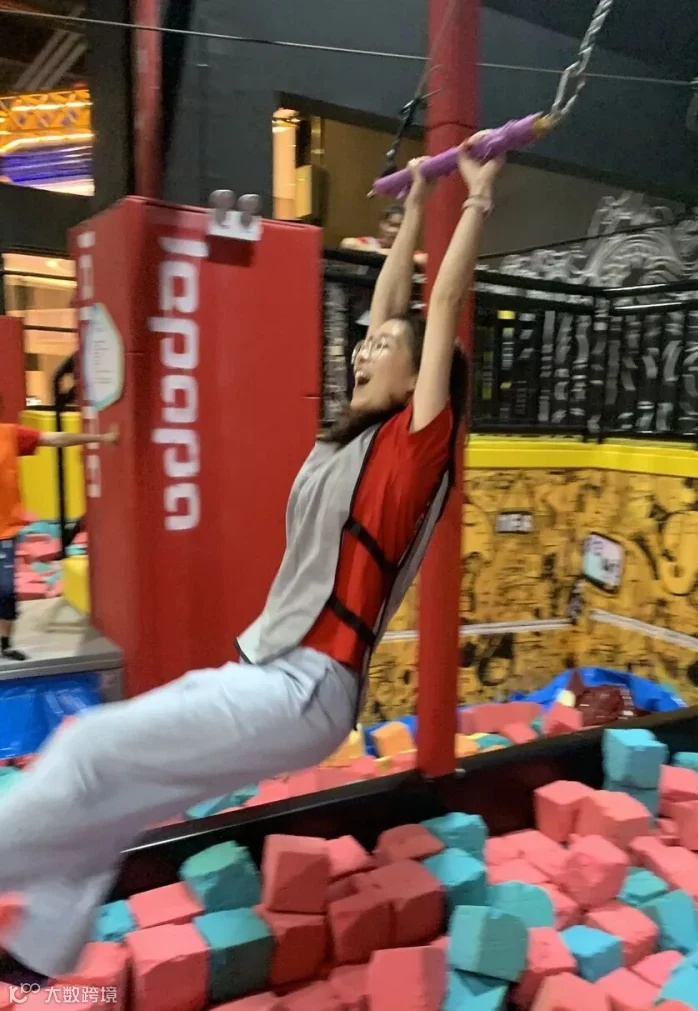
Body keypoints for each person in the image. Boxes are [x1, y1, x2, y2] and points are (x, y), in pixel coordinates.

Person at [0, 140, 504, 982]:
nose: (363, 350)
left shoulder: (415, 449)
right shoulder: (352, 439)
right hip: (273, 673)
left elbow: (440, 304)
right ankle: (41, 951)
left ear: (420, 372)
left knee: (90, 751)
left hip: (306, 685)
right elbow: (392, 307)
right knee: (115, 793)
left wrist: (476, 198)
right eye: (367, 343)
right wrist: (416, 202)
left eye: (384, 347)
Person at [0, 406, 117, 662]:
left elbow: (55, 438)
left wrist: (100, 438)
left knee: (6, 590)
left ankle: (5, 643)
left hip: (4, 529)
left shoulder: (9, 435)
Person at [341, 202, 427, 268]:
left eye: (402, 227)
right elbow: (347, 243)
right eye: (393, 225)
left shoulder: (411, 252)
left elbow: (424, 259)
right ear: (382, 224)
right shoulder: (368, 243)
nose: (396, 231)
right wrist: (380, 251)